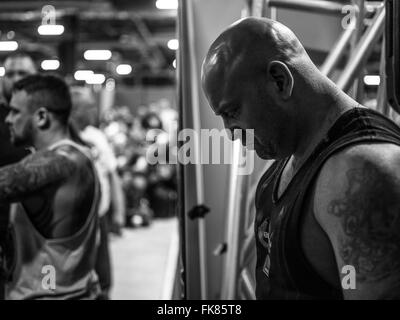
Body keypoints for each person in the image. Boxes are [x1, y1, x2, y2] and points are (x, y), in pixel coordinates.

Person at [201, 17, 400, 299]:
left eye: (232, 112)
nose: (231, 134)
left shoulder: (360, 175)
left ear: (280, 81)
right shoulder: (293, 149)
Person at [0, 74, 101, 299]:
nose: (7, 119)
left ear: (42, 117)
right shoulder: (62, 156)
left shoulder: (66, 162)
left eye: (15, 112)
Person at [69, 86, 125, 299]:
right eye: (89, 106)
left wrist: (118, 212)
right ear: (75, 110)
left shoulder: (97, 136)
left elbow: (112, 176)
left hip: (99, 219)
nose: (94, 110)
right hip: (75, 224)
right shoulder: (64, 139)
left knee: (104, 278)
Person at [0, 52, 37, 299]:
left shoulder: (49, 117)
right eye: (10, 73)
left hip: (40, 229)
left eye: (22, 73)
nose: (15, 78)